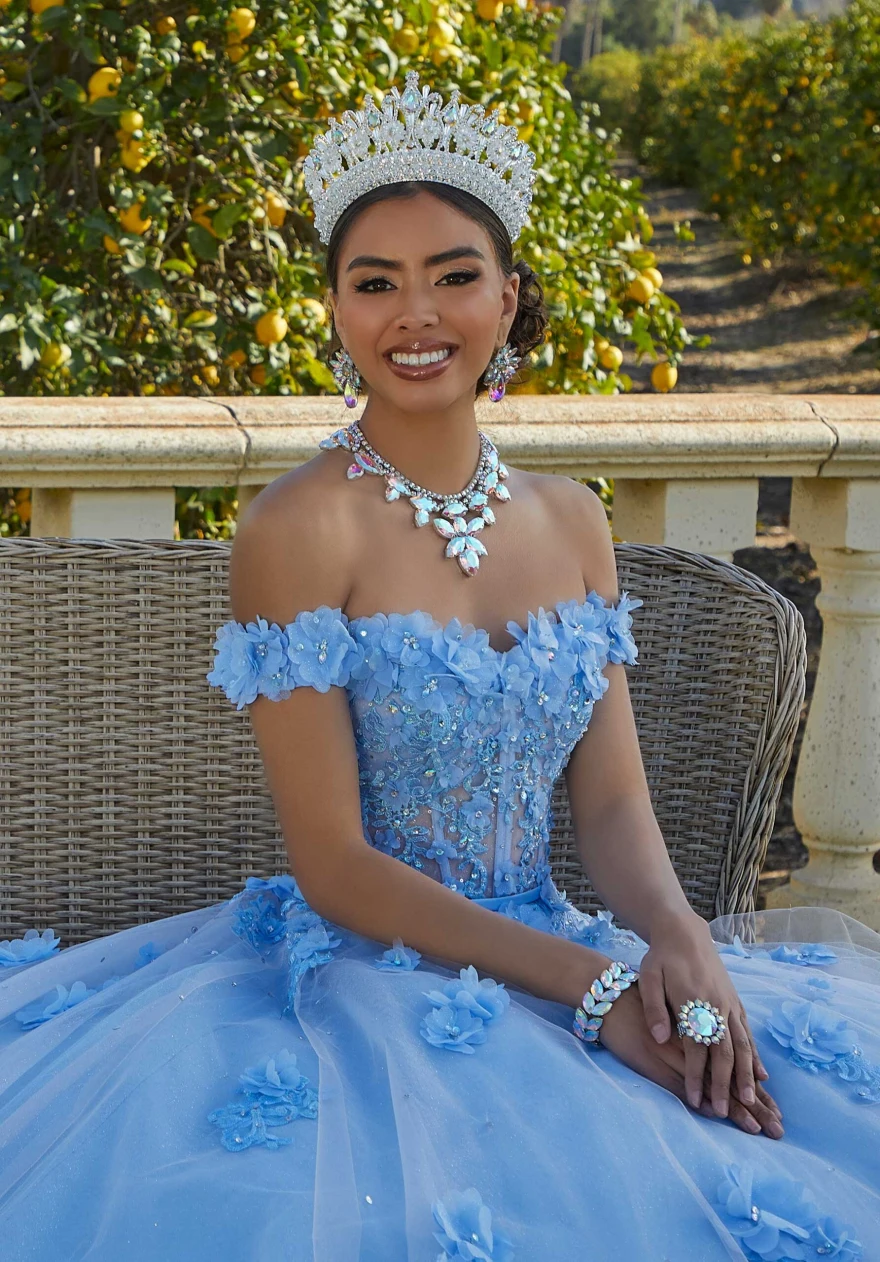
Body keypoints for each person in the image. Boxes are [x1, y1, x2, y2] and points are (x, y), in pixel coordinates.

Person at [1, 71, 879, 1262]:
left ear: (509, 298)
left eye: (454, 275)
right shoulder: (296, 529)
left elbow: (612, 800)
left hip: (570, 938)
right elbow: (334, 863)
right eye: (377, 283)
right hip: (366, 971)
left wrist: (678, 942)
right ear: (335, 313)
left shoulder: (573, 520)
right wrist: (591, 990)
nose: (417, 315)